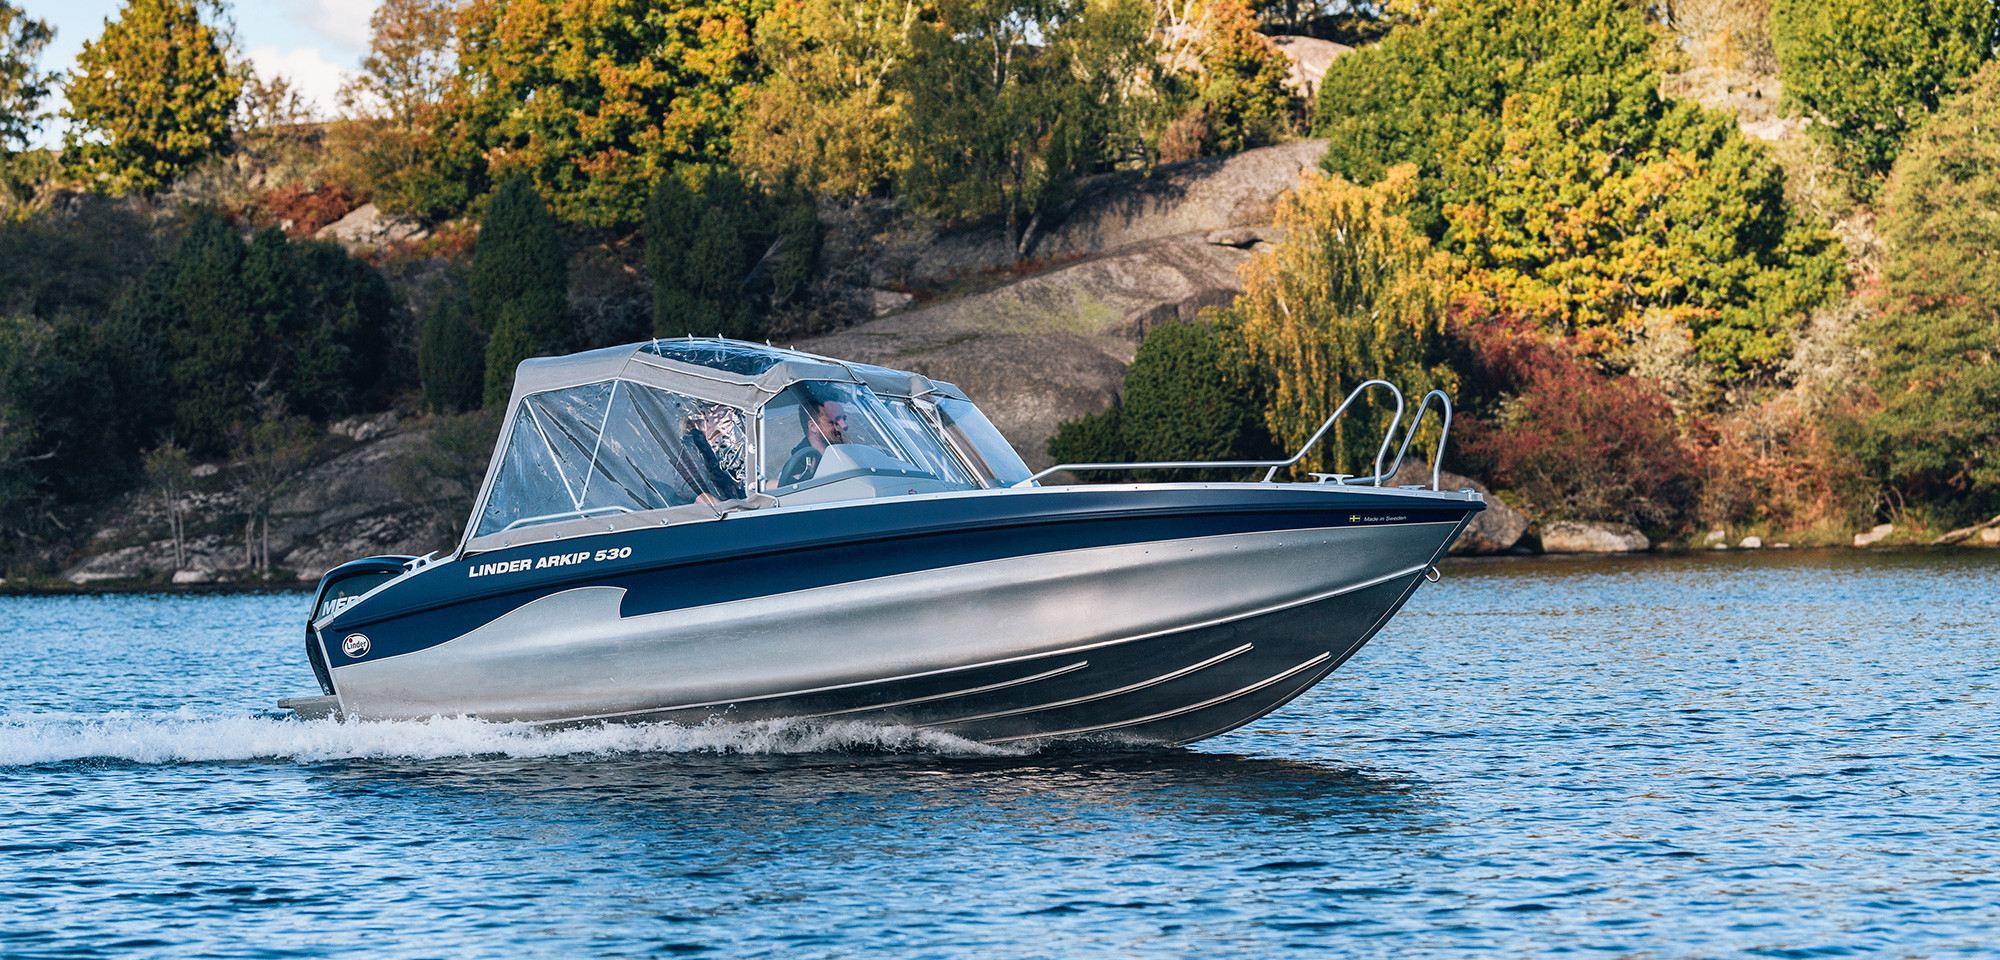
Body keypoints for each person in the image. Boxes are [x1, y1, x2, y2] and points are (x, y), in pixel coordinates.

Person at [776, 387, 847, 487]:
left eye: (843, 420)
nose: (843, 427)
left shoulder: (847, 454)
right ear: (813, 426)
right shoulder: (798, 467)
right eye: (832, 422)